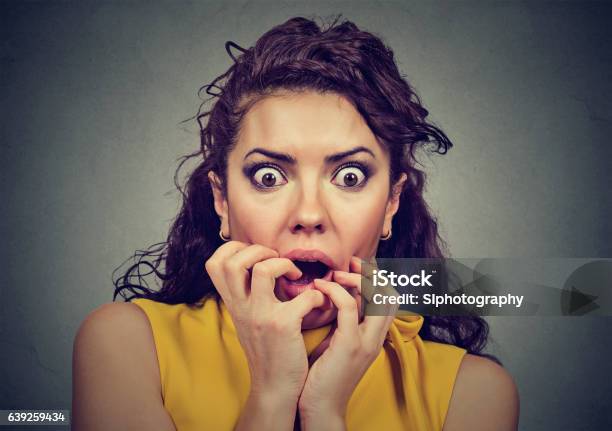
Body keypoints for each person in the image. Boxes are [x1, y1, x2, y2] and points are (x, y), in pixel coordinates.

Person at [72, 16, 519, 431]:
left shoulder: (471, 393)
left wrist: (324, 412)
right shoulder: (127, 347)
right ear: (222, 200)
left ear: (391, 204)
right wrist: (271, 395)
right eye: (269, 176)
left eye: (350, 176)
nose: (309, 215)